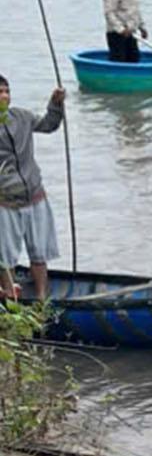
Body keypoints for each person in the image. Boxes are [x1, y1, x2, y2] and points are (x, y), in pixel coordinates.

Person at [0, 75, 64, 301]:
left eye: (7, 91)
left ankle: (41, 297)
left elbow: (49, 124)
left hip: (34, 195)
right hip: (5, 201)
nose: (4, 96)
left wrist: (55, 104)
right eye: (0, 92)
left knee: (39, 251)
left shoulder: (22, 117)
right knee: (5, 256)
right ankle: (9, 296)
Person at [102, 0, 147, 64]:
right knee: (119, 59)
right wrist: (121, 30)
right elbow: (109, 13)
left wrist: (142, 27)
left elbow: (135, 11)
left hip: (131, 32)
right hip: (116, 34)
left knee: (134, 58)